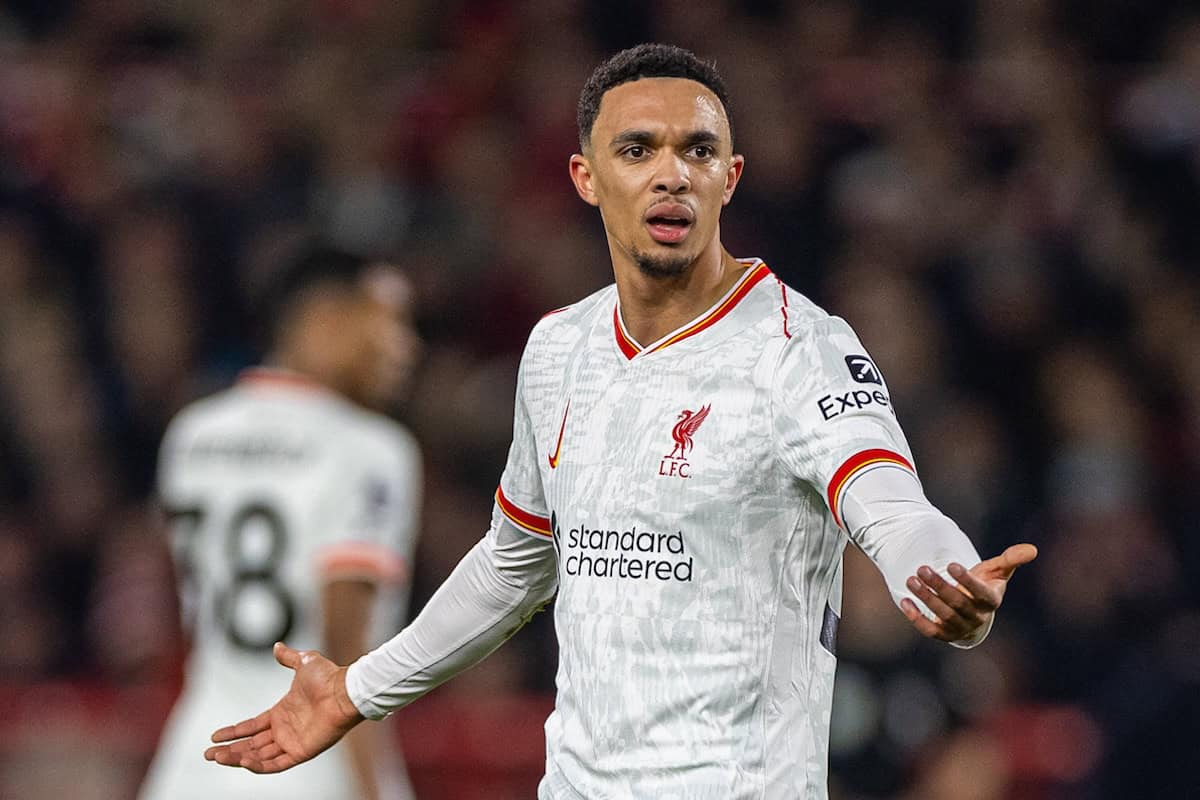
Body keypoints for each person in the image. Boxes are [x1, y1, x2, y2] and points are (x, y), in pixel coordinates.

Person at [204, 44, 1037, 799]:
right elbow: (514, 564)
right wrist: (357, 690)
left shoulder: (799, 350)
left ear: (731, 178)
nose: (671, 174)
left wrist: (945, 573)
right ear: (586, 176)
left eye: (697, 151)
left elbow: (892, 508)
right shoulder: (558, 348)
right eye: (638, 150)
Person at [139, 245, 423, 800]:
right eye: (390, 326)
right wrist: (376, 789)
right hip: (305, 765)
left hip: (192, 760)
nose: (406, 350)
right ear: (325, 321)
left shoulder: (192, 432)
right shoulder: (370, 450)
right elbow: (346, 654)